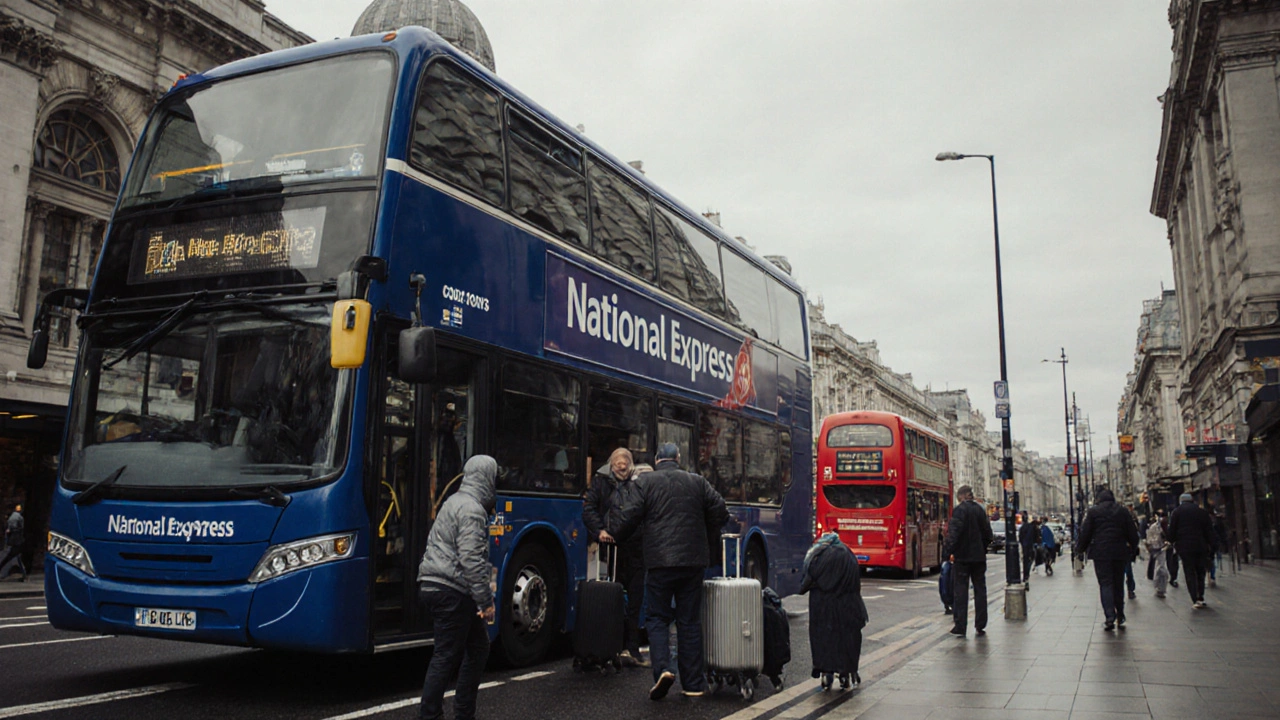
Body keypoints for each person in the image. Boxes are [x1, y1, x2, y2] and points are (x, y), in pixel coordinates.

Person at [612, 443, 729, 701]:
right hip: (692, 562)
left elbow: (626, 519)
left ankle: (663, 669)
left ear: (656, 460)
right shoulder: (697, 482)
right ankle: (694, 683)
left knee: (656, 618)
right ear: (678, 458)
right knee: (688, 621)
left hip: (659, 562)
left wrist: (614, 533)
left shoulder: (646, 482)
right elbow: (721, 510)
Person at [416, 456, 498, 720]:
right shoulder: (472, 509)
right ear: (488, 478)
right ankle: (430, 715)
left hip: (435, 583)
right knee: (446, 654)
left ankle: (464, 712)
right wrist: (485, 602)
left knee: (477, 647)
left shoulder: (453, 501)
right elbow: (471, 559)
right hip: (451, 589)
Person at [582, 447, 648, 667]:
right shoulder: (601, 482)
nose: (622, 466)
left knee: (636, 599)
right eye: (618, 463)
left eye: (625, 463)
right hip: (611, 549)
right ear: (612, 463)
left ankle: (633, 648)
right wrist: (599, 531)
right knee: (613, 598)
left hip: (636, 548)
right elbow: (589, 509)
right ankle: (612, 647)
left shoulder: (637, 482)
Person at [800, 532, 867, 690]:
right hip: (848, 606)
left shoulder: (817, 556)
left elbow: (805, 582)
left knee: (824, 639)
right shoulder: (848, 555)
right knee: (846, 640)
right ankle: (845, 672)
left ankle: (826, 671)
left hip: (823, 607)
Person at [1077, 488, 1139, 631]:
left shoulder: (1093, 512)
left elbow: (1086, 533)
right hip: (1119, 552)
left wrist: (1080, 550)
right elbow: (1132, 533)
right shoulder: (1123, 511)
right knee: (1118, 583)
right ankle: (1121, 614)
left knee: (1105, 584)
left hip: (1101, 553)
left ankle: (1109, 616)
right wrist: (1133, 547)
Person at [942, 485, 994, 637]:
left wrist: (947, 553)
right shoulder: (980, 510)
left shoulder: (959, 511)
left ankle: (960, 625)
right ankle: (980, 624)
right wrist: (981, 549)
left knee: (961, 591)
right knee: (980, 590)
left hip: (963, 557)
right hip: (978, 558)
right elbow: (988, 535)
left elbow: (953, 535)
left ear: (962, 496)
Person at [1166, 493, 1215, 609]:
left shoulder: (1176, 512)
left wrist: (1171, 541)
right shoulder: (1201, 512)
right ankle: (1200, 596)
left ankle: (1194, 597)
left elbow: (1171, 531)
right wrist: (1212, 546)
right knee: (1200, 571)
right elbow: (1209, 531)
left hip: (1184, 547)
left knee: (1189, 571)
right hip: (1200, 546)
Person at [1, 504, 25, 582]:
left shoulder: (11, 517)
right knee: (14, 556)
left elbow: (9, 529)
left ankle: (23, 574)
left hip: (14, 540)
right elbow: (20, 528)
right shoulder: (19, 518)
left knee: (16, 557)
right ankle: (23, 574)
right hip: (17, 541)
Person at [1146, 517, 1169, 598]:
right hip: (1158, 548)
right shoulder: (1155, 528)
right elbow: (1151, 540)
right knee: (1161, 568)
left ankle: (1160, 588)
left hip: (1162, 548)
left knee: (1160, 568)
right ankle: (1160, 588)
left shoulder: (1160, 526)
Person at [1208, 511, 1228, 588]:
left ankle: (1211, 576)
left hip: (1210, 547)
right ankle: (1212, 577)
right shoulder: (1214, 526)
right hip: (1212, 546)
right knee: (1212, 562)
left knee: (1212, 561)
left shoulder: (1214, 526)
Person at [1018, 515, 1040, 582]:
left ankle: (1025, 575)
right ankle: (1027, 574)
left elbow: (1020, 538)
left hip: (1025, 546)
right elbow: (1036, 536)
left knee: (1025, 560)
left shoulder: (1022, 528)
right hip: (1031, 546)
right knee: (1030, 560)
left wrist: (1022, 544)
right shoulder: (1032, 527)